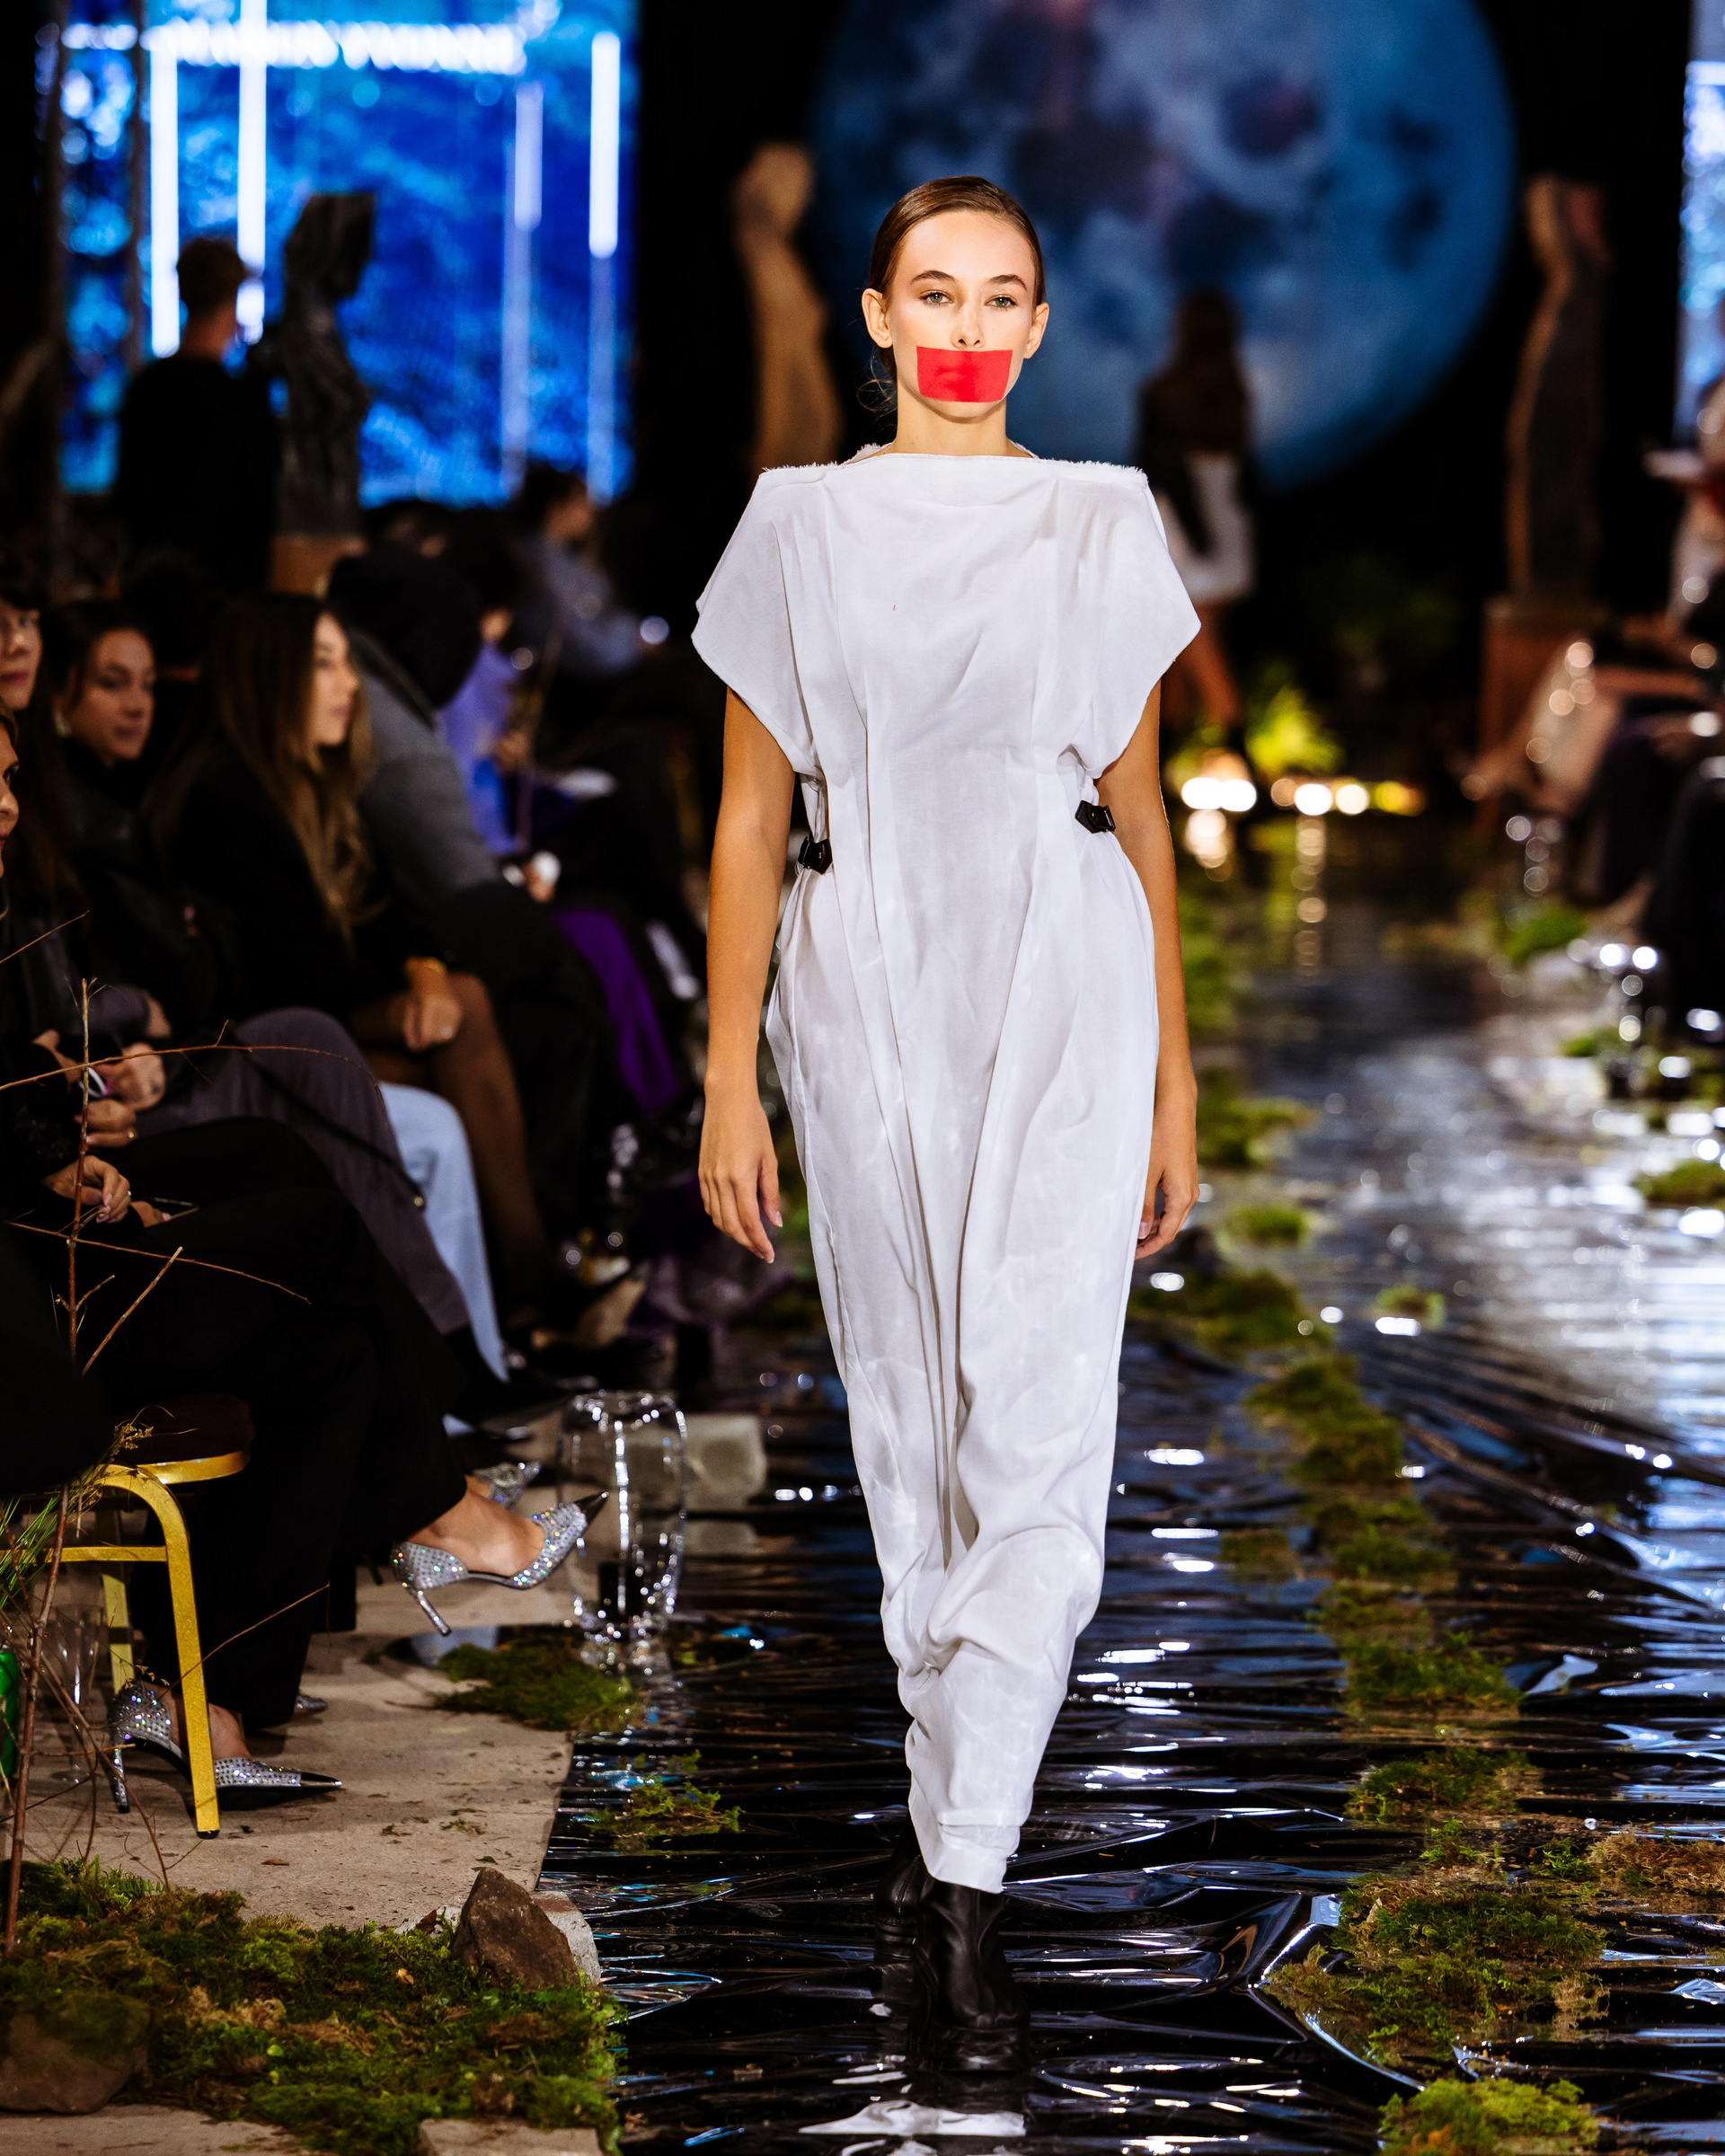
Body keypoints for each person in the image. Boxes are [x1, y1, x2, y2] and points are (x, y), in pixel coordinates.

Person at [693, 176, 1200, 2068]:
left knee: (1044, 1444)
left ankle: (966, 1883)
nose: (970, 326)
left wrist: (1177, 1074)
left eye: (1003, 296)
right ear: (880, 317)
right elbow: (750, 823)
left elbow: (1140, 819)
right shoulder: (799, 527)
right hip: (866, 984)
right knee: (912, 1433)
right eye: (937, 292)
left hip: (1066, 976)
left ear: (1041, 326)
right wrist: (724, 1073)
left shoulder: (1100, 519)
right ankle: (944, 1835)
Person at [0, 707, 593, 1786]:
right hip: (21, 1305)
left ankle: (209, 1702)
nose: (7, 807)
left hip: (46, 1212)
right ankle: (438, 1505)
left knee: (329, 1335)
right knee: (316, 1231)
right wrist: (47, 1149)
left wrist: (73, 1116)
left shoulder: (20, 883)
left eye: (10, 779)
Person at [17, 592, 510, 1395]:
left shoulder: (159, 799)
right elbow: (86, 1006)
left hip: (168, 1056)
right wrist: (130, 1032)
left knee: (430, 1032)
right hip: (139, 1080)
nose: (138, 703)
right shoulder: (153, 808)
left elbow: (381, 913)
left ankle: (468, 1360)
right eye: (112, 683)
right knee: (370, 1078)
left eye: (147, 684)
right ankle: (465, 1363)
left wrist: (423, 965)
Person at [150, 595, 553, 1319]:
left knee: (470, 1000)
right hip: (260, 1042)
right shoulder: (225, 797)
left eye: (348, 664)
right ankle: (529, 1290)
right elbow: (294, 970)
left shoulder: (310, 783)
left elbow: (389, 910)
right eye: (324, 665)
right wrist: (411, 989)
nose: (350, 686)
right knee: (466, 1024)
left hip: (324, 1017)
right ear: (269, 675)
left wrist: (423, 968)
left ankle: (518, 1295)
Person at [114, 236, 279, 592]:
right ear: (232, 302)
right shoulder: (241, 401)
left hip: (153, 584)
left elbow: (128, 497)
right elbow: (259, 508)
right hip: (226, 592)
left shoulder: (147, 389)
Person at [1132, 289, 1255, 732]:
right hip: (1221, 520)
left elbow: (1158, 468)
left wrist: (1198, 533)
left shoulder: (1166, 392)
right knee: (1179, 646)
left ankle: (1237, 747)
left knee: (1191, 640)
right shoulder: (1234, 392)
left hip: (1187, 524)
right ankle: (1168, 754)